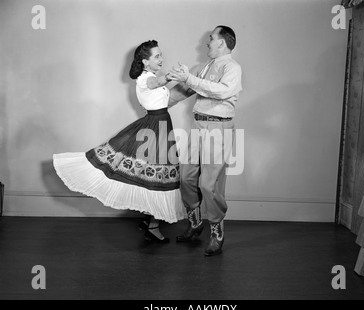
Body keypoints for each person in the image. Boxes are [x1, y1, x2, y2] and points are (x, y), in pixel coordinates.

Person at [53, 40, 184, 243]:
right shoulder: (144, 79)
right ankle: (153, 226)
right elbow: (155, 83)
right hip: (154, 128)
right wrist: (169, 76)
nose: (161, 59)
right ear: (145, 62)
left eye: (161, 55)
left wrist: (191, 84)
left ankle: (151, 223)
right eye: (157, 56)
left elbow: (171, 99)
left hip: (160, 125)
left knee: (155, 175)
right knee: (156, 174)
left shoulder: (153, 79)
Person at [167, 26, 242, 256]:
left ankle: (217, 233)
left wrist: (190, 78)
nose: (206, 43)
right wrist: (155, 102)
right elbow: (181, 91)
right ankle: (195, 223)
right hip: (199, 126)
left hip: (219, 128)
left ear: (222, 43)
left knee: (209, 185)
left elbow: (220, 91)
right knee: (186, 177)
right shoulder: (204, 67)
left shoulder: (232, 68)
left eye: (211, 39)